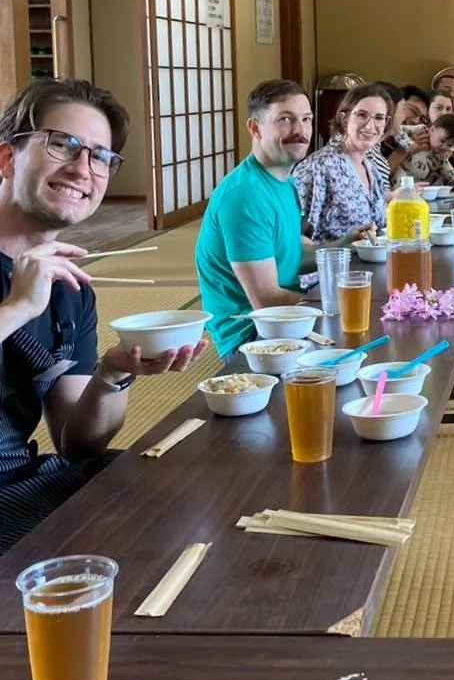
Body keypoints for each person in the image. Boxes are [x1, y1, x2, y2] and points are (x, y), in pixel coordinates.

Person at [0, 79, 205, 553]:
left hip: (22, 484)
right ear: (8, 158)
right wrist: (16, 309)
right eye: (63, 145)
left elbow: (77, 445)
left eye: (100, 157)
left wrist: (112, 374)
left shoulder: (68, 288)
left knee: (189, 494)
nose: (81, 169)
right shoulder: (32, 292)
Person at [195, 79, 314, 359]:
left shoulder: (285, 180)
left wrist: (345, 246)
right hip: (253, 337)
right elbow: (267, 301)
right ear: (255, 128)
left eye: (306, 119)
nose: (300, 131)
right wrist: (333, 306)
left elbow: (288, 254)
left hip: (286, 320)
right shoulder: (245, 195)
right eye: (285, 119)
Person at [293, 83, 393, 245]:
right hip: (329, 268)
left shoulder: (371, 169)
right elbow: (290, 235)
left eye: (379, 118)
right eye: (361, 115)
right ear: (344, 119)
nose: (370, 126)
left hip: (371, 265)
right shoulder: (318, 167)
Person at [397, 113, 454, 186]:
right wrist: (408, 143)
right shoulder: (421, 130)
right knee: (399, 174)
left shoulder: (440, 154)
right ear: (432, 130)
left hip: (418, 180)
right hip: (403, 172)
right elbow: (398, 129)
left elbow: (446, 166)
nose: (444, 147)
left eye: (449, 145)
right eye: (442, 141)